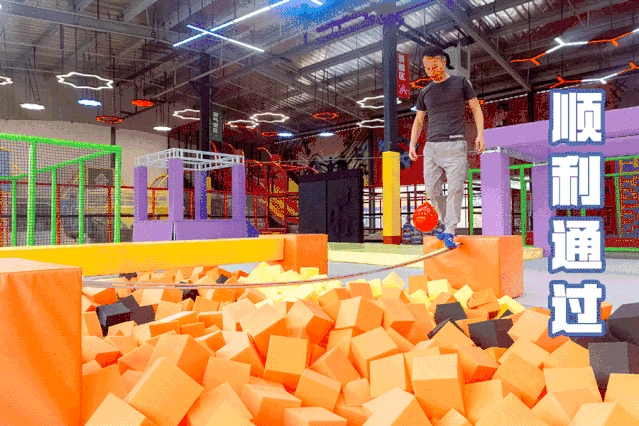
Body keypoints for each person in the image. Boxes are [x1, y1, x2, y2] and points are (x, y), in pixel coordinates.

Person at [409, 46, 484, 249]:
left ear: (443, 62)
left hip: (455, 145)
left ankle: (450, 230)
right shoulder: (425, 91)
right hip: (431, 148)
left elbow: (476, 108)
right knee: (432, 191)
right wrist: (412, 143)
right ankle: (444, 223)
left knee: (455, 189)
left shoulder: (460, 82)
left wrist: (480, 134)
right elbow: (418, 120)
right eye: (427, 67)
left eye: (434, 66)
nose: (430, 71)